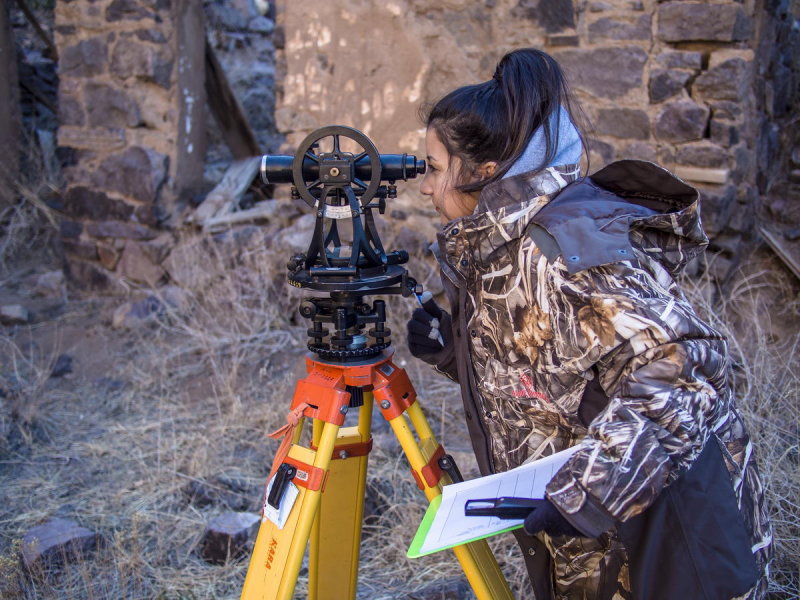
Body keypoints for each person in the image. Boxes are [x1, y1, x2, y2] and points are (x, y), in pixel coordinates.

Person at [406, 48, 772, 600]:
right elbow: (565, 374)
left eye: (434, 169)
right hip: (599, 544)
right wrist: (456, 355)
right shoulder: (503, 249)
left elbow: (682, 370)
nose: (424, 187)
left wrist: (589, 493)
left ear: (485, 172)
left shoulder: (563, 246)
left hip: (662, 537)